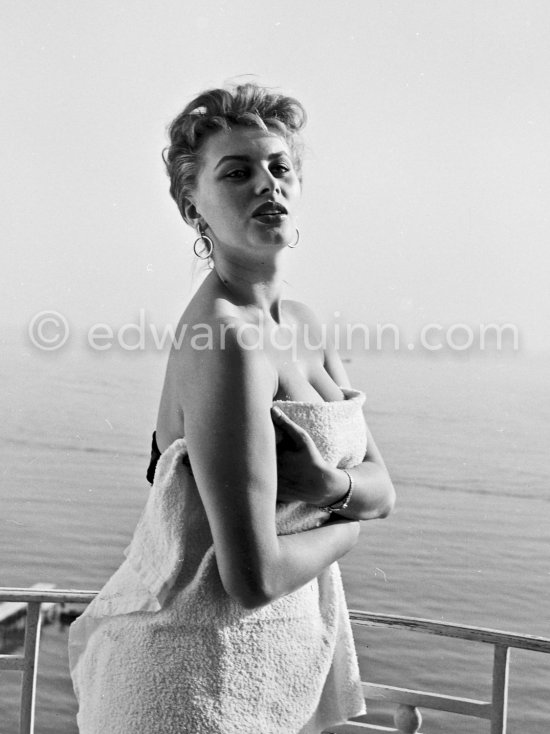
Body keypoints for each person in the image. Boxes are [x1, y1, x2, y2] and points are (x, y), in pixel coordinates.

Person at [69, 82, 395, 734]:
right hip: (189, 687)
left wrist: (328, 485)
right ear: (194, 204)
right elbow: (255, 576)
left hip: (266, 673)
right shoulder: (226, 340)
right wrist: (348, 527)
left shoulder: (302, 324)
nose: (266, 184)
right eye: (237, 172)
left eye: (280, 168)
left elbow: (384, 488)